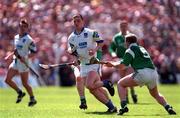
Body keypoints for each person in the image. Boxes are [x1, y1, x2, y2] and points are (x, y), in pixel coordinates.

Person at [106, 34, 176, 115]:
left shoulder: (129, 50)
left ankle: (123, 107)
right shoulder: (142, 48)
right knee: (156, 94)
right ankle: (168, 107)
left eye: (125, 41)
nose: (125, 43)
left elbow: (123, 66)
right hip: (153, 73)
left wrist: (112, 65)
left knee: (120, 84)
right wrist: (113, 63)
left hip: (142, 73)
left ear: (128, 42)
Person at [67, 14, 117, 113]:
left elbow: (101, 42)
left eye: (78, 21)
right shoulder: (71, 38)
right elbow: (73, 52)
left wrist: (94, 50)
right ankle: (112, 107)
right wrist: (75, 59)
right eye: (75, 21)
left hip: (94, 62)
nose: (76, 23)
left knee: (90, 85)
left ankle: (106, 83)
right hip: (83, 65)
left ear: (83, 21)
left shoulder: (91, 32)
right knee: (94, 89)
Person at [4, 19, 37, 107]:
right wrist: (11, 54)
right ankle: (20, 92)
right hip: (16, 61)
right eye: (21, 26)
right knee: (7, 80)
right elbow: (16, 49)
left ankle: (32, 98)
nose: (22, 28)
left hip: (24, 63)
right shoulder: (16, 37)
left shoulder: (29, 39)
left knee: (25, 83)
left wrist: (25, 57)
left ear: (27, 28)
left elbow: (34, 52)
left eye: (24, 27)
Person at [109, 20, 137, 103]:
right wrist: (113, 54)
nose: (123, 28)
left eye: (125, 26)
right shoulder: (116, 37)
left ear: (127, 26)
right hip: (120, 59)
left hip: (130, 60)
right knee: (122, 79)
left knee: (129, 77)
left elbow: (136, 47)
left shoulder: (131, 36)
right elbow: (111, 48)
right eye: (121, 26)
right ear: (119, 27)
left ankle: (132, 92)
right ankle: (126, 96)